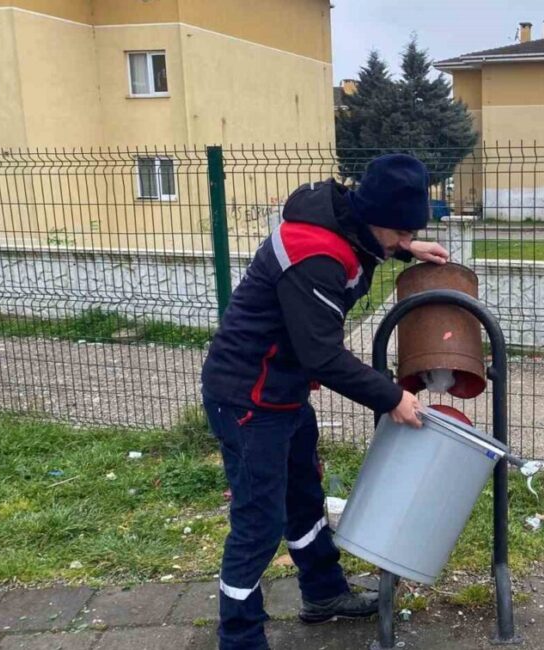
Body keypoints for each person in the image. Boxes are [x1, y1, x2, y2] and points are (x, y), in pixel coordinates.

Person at [200, 154, 449, 650]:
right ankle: (240, 637)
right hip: (248, 398)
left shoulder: (348, 221)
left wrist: (405, 248)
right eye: (399, 232)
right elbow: (321, 355)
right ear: (375, 215)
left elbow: (365, 237)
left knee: (304, 496)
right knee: (259, 522)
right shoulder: (315, 255)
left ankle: (322, 594)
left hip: (281, 390)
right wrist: (392, 396)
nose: (403, 240)